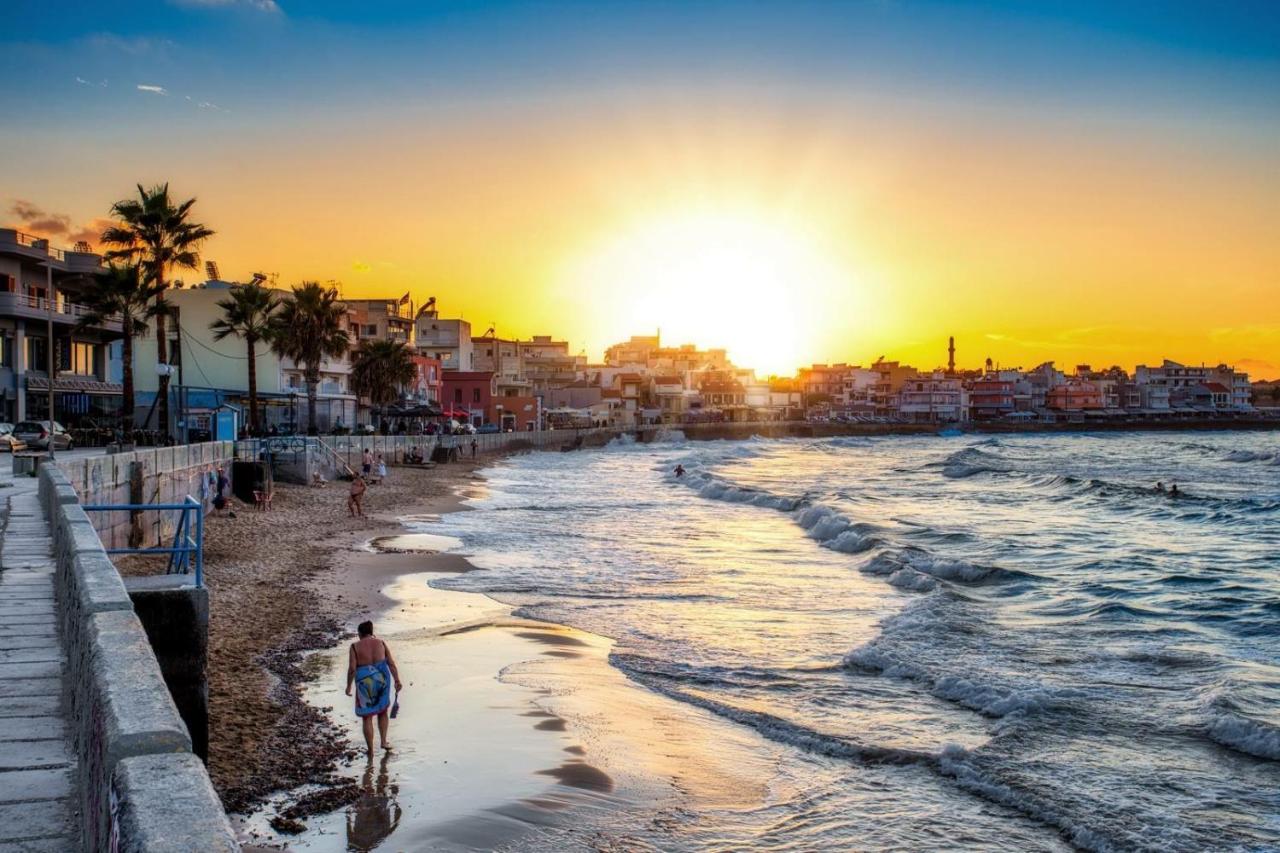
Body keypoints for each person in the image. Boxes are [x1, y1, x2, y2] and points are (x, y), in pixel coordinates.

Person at [345, 620, 402, 757]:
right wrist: (397, 680)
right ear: (371, 632)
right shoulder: (381, 643)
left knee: (367, 717)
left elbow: (352, 669)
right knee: (382, 712)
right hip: (382, 679)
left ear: (360, 633)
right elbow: (391, 663)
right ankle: (383, 741)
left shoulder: (354, 647)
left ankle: (370, 750)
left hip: (364, 681)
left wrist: (348, 686)